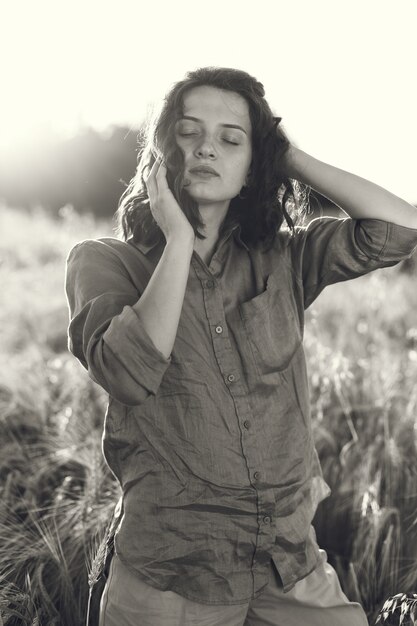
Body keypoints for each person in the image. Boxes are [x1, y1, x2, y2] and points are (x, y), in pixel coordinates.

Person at [65, 66, 417, 626]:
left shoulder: (284, 258)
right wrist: (180, 237)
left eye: (232, 139)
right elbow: (129, 373)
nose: (207, 147)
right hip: (174, 575)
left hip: (288, 563)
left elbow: (397, 230)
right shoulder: (106, 262)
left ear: (254, 168)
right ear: (160, 152)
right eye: (188, 132)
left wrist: (285, 154)